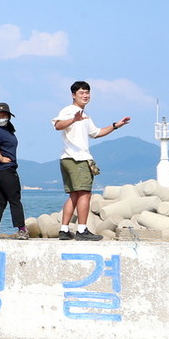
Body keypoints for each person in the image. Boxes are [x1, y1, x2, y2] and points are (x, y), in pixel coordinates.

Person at [53, 80, 130, 241]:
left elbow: (96, 133)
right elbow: (58, 125)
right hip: (77, 159)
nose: (85, 95)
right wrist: (74, 119)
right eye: (81, 93)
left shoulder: (85, 115)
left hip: (68, 158)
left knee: (74, 195)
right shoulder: (70, 110)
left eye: (87, 92)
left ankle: (64, 230)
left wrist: (115, 125)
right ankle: (82, 230)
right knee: (85, 194)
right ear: (73, 95)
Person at [0, 102, 27, 240]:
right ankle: (21, 229)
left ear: (9, 116)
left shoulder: (8, 129)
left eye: (3, 115)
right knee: (14, 199)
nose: (1, 117)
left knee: (0, 200)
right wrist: (1, 158)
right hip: (4, 169)